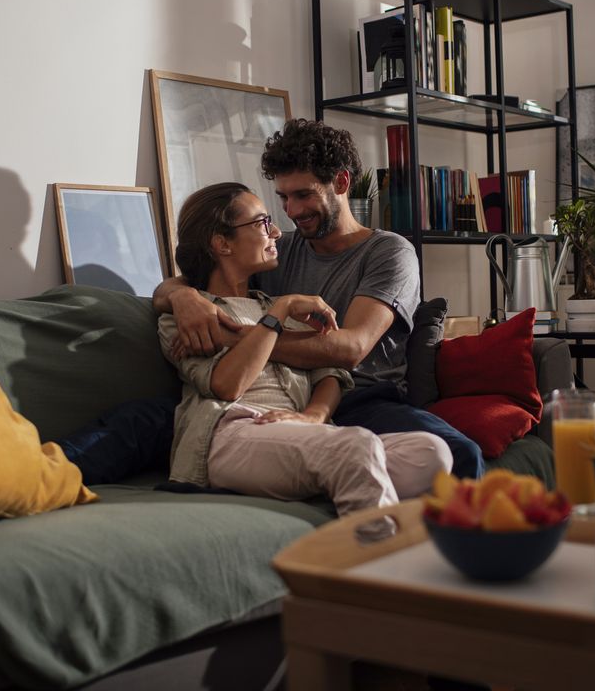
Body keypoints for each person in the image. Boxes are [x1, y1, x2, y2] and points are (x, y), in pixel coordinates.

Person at [154, 119, 484, 479]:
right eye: (284, 197)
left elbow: (351, 348)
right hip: (287, 397)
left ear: (341, 182)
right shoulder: (277, 252)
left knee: (459, 454)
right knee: (148, 419)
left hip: (363, 400)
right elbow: (189, 280)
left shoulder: (388, 252)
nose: (292, 211)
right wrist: (183, 298)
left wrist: (237, 338)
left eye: (303, 195)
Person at [157, 182, 452, 515]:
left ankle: (338, 481)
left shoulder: (270, 301)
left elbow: (332, 371)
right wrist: (277, 314)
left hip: (293, 431)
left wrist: (312, 417)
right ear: (222, 243)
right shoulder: (189, 319)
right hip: (229, 433)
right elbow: (227, 385)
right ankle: (376, 554)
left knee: (430, 451)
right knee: (355, 445)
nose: (277, 232)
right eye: (262, 223)